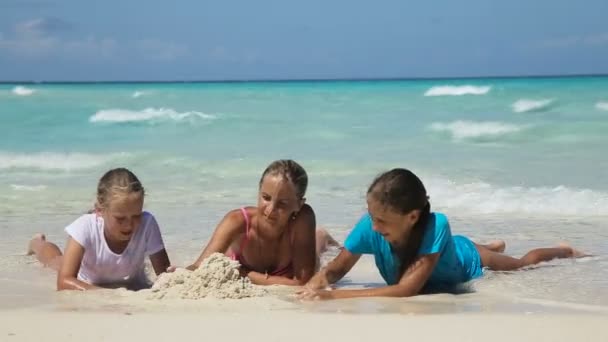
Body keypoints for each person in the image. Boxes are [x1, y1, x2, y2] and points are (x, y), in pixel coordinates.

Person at [298, 167, 585, 300]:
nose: (374, 226)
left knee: (523, 263)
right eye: (372, 216)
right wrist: (317, 282)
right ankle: (492, 244)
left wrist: (335, 297)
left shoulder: (437, 225)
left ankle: (565, 249)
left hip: (467, 259)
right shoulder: (371, 224)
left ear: (412, 217)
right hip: (446, 251)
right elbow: (337, 267)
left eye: (382, 220)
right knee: (461, 246)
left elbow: (407, 289)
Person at [187, 159, 338, 286]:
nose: (271, 209)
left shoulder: (303, 218)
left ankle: (321, 236)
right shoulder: (237, 221)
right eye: (266, 197)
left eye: (282, 204)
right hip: (282, 272)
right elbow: (200, 267)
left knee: (317, 251)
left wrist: (245, 274)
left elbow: (301, 283)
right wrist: (179, 273)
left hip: (295, 253)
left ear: (299, 204)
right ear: (258, 192)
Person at [27, 167, 171, 291]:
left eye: (136, 216)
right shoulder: (85, 226)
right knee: (55, 261)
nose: (129, 224)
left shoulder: (147, 224)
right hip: (88, 280)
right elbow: (64, 282)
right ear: (99, 210)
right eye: (120, 219)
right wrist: (110, 294)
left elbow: (165, 276)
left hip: (130, 281)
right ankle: (37, 242)